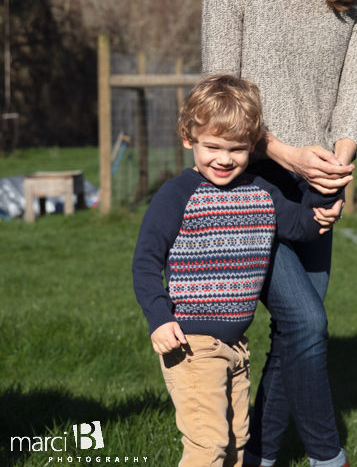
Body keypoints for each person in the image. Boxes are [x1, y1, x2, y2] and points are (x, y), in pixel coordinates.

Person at [200, 0, 357, 466]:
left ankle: (260, 457)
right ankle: (329, 457)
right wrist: (284, 152)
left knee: (292, 339)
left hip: (318, 187)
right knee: (309, 325)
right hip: (247, 181)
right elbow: (219, 92)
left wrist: (338, 164)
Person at [132, 74, 337, 467]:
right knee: (208, 446)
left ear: (252, 146)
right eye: (212, 147)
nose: (224, 159)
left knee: (238, 444)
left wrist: (321, 197)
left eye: (237, 149)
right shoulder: (177, 195)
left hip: (236, 347)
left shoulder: (261, 189)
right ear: (188, 137)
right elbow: (145, 262)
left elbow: (300, 226)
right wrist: (158, 318)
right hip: (191, 347)